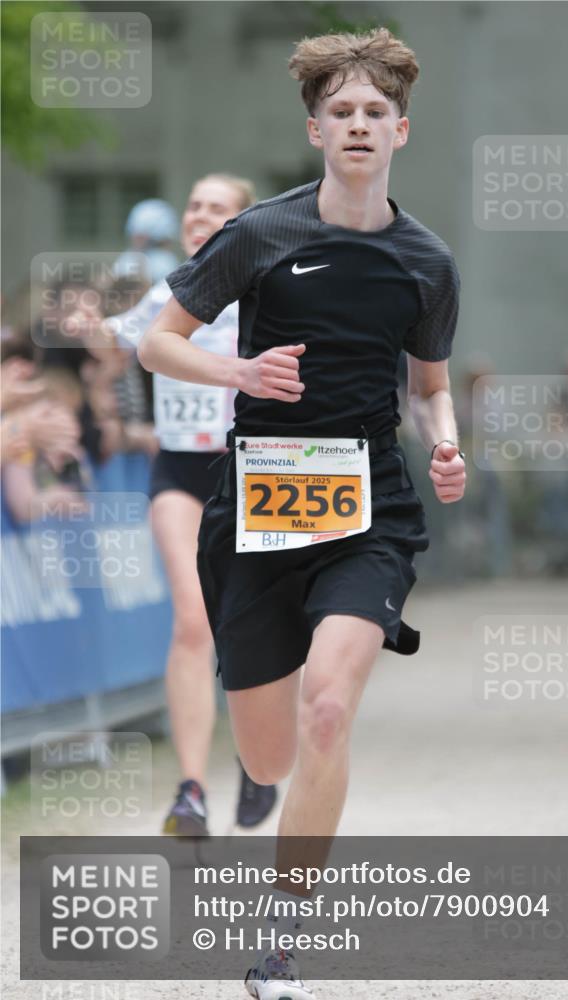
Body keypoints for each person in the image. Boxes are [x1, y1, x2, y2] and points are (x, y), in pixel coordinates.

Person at [139, 29, 465, 1000]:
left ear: (398, 132)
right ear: (314, 129)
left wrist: (445, 442)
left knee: (329, 705)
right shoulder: (260, 235)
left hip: (369, 509)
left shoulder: (425, 260)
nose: (358, 126)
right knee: (269, 747)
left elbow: (432, 386)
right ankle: (257, 772)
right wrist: (238, 370)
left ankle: (281, 938)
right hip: (254, 509)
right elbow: (160, 344)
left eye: (375, 113)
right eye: (341, 113)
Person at [104, 175, 279, 833]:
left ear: (243, 223)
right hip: (179, 472)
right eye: (194, 205)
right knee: (190, 622)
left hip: (254, 477)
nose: (200, 215)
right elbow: (113, 342)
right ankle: (191, 790)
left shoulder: (270, 291)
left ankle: (256, 760)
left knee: (249, 628)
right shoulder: (165, 292)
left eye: (217, 207)